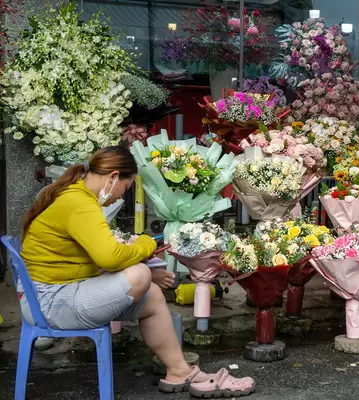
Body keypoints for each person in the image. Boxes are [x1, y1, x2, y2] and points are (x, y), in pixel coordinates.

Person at [19, 146, 256, 398]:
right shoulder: (80, 203)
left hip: (53, 295)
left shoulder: (75, 196)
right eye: (126, 187)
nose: (120, 196)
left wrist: (142, 269)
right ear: (113, 177)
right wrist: (147, 244)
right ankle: (178, 367)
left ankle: (179, 371)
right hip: (50, 303)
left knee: (151, 294)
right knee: (140, 276)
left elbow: (92, 259)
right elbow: (109, 258)